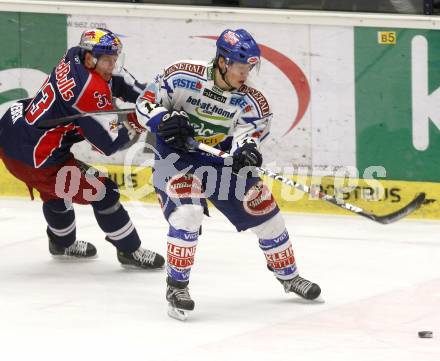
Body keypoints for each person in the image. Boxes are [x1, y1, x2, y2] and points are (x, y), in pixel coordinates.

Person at [130, 28, 321, 320]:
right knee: (188, 214)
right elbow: (144, 103)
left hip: (219, 160)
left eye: (250, 67)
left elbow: (250, 134)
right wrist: (162, 118)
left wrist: (248, 151)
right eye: (240, 67)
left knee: (267, 214)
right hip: (176, 157)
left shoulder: (253, 100)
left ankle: (289, 276)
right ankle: (176, 287)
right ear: (222, 62)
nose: (246, 74)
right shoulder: (181, 75)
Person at [0, 28, 164, 269]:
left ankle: (61, 243)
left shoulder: (74, 55)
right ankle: (130, 251)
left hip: (15, 133)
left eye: (114, 59)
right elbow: (108, 144)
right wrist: (136, 121)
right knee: (103, 191)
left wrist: (145, 96)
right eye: (107, 60)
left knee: (57, 193)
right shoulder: (89, 92)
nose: (112, 65)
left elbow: (113, 83)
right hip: (36, 158)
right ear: (90, 58)